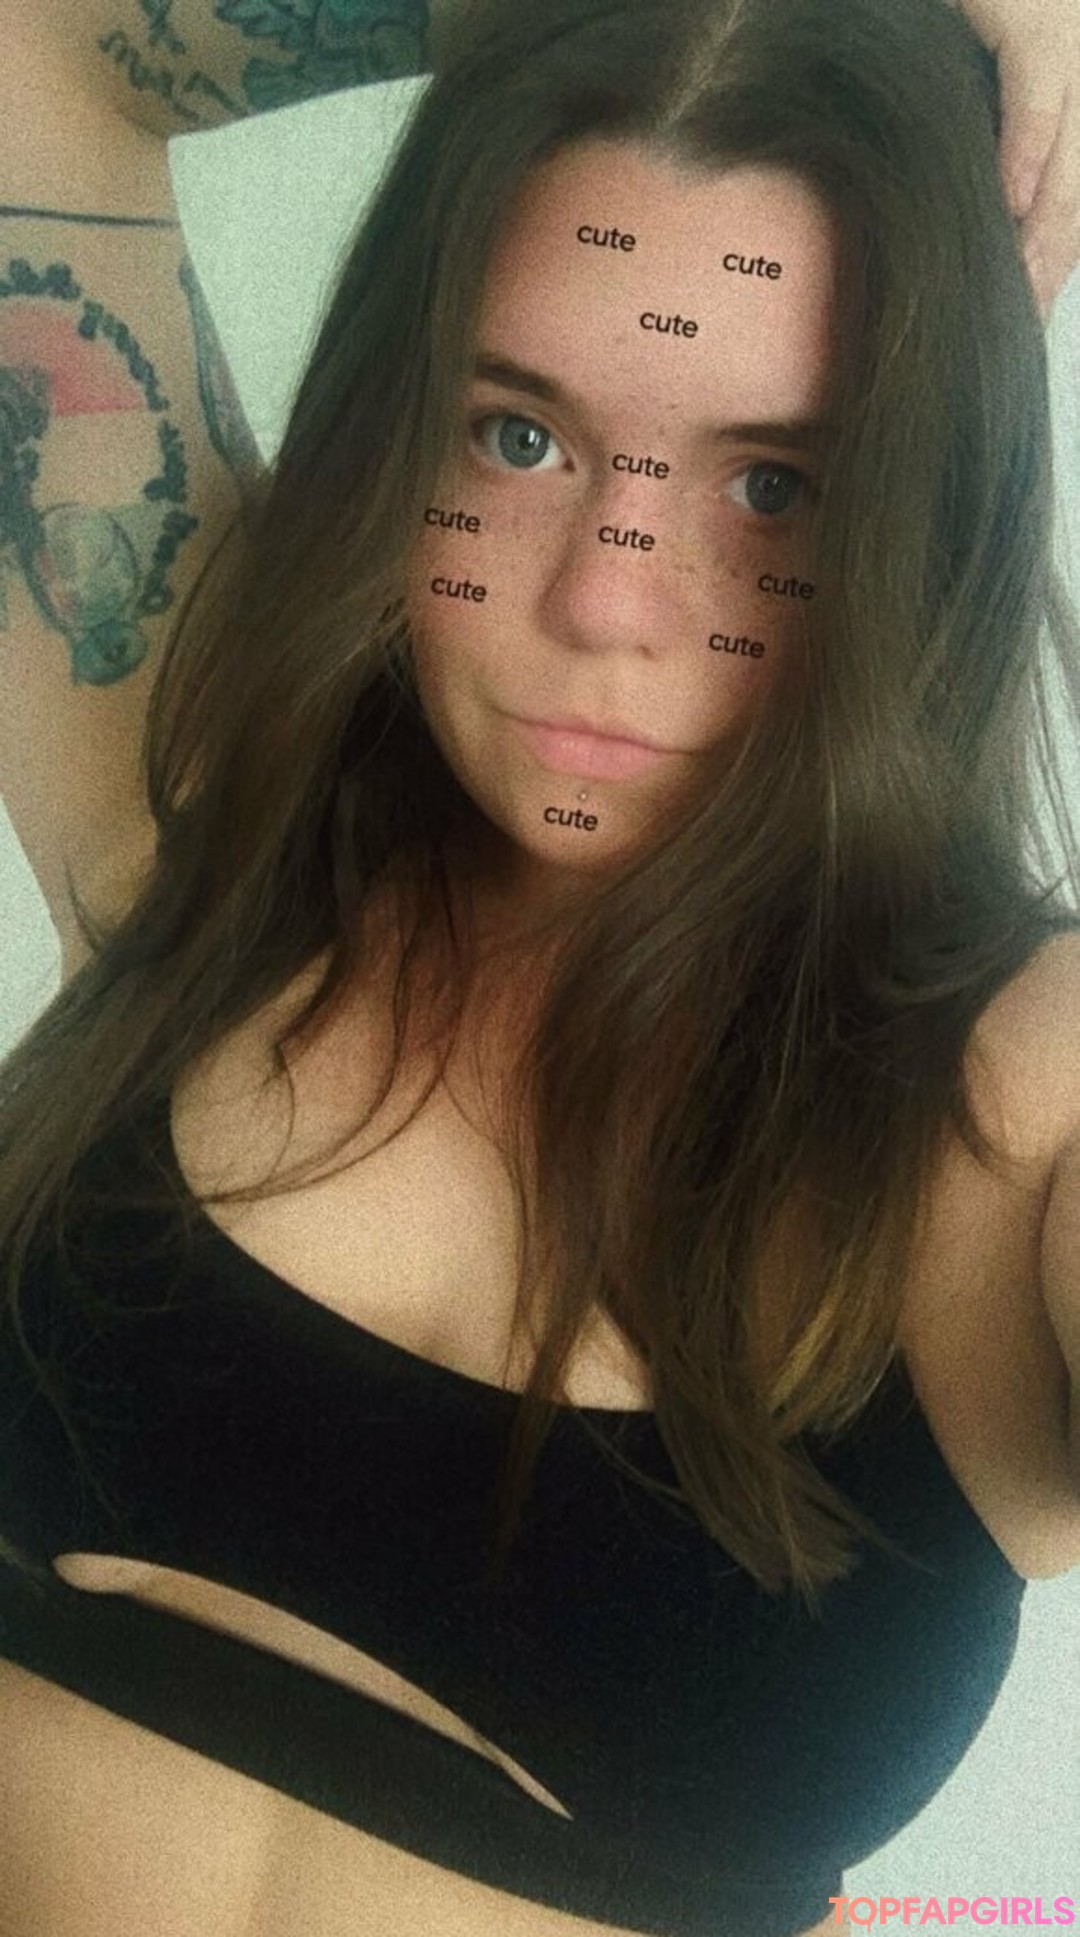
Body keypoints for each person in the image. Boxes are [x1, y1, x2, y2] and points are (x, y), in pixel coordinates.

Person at [0, 2, 1079, 1935]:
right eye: (520, 435)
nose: (601, 600)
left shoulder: (1016, 1108)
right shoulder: (217, 805)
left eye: (773, 486)